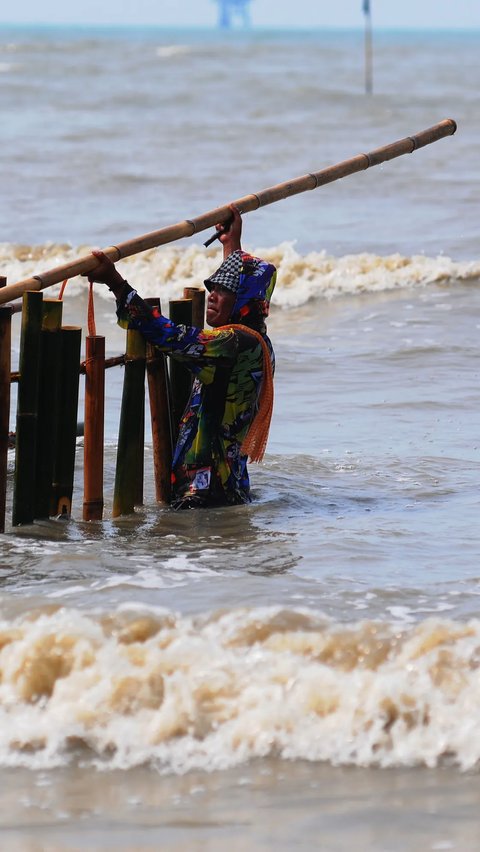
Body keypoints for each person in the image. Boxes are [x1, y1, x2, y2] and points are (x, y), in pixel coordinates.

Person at [87, 205, 277, 509]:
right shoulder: (259, 342)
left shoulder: (231, 342)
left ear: (245, 301)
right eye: (211, 287)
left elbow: (168, 335)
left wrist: (115, 282)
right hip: (230, 486)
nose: (212, 295)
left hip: (205, 492)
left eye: (223, 291)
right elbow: (242, 281)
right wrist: (231, 244)